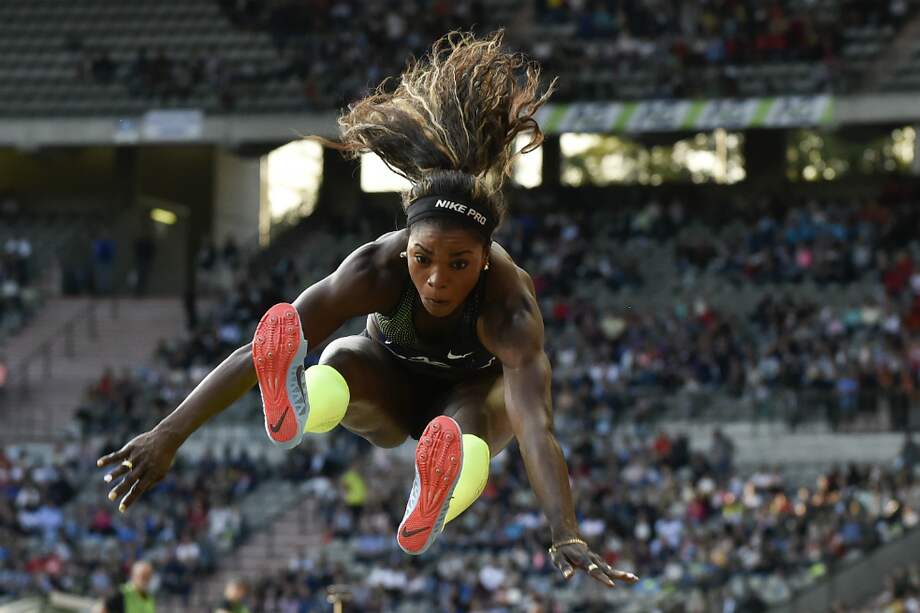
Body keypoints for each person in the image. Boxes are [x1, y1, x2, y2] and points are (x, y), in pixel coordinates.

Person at [96, 31, 639, 589]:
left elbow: (535, 426)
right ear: (406, 246)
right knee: (344, 354)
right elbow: (256, 352)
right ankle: (302, 404)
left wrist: (565, 529)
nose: (436, 278)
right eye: (424, 258)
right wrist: (166, 436)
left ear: (484, 258)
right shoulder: (374, 269)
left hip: (467, 396)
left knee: (470, 419)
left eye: (459, 264)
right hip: (386, 385)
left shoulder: (508, 304)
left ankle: (434, 500)